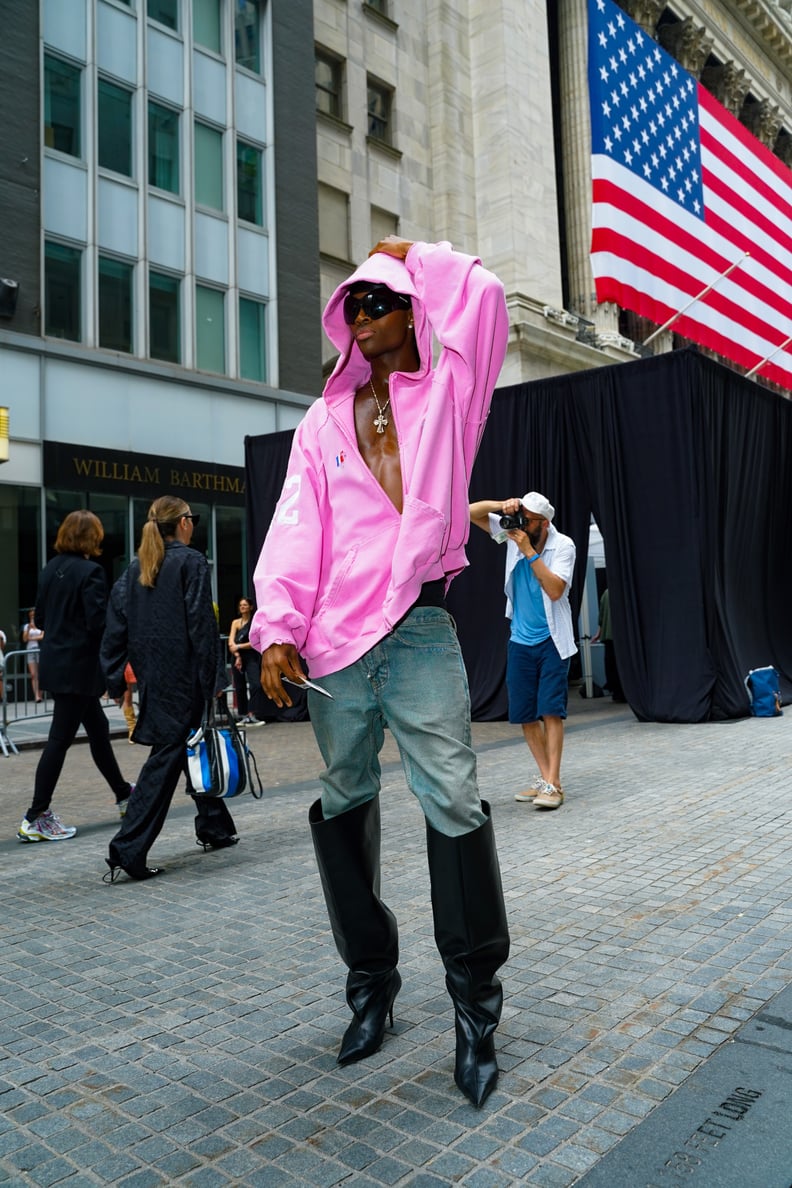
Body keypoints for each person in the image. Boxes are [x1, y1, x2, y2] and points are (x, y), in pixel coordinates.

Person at [250, 237, 510, 1108]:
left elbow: (488, 293)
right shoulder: (321, 423)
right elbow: (296, 529)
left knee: (456, 802)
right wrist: (278, 627)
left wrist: (409, 252)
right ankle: (372, 988)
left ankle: (476, 1013)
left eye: (377, 301)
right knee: (343, 799)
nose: (360, 316)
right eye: (351, 305)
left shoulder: (449, 391)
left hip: (419, 629)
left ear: (409, 309)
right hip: (335, 651)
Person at [101, 495, 238, 881]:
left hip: (156, 678)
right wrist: (213, 680)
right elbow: (200, 625)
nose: (193, 524)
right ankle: (126, 850)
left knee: (190, 748)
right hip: (185, 679)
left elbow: (115, 627)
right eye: (191, 518)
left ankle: (215, 825)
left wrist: (114, 678)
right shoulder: (190, 561)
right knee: (168, 759)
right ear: (182, 523)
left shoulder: (136, 569)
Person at [17, 511, 135, 843]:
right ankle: (35, 815)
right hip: (80, 668)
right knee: (59, 740)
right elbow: (98, 623)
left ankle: (124, 793)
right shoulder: (91, 571)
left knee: (97, 731)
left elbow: (40, 617)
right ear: (90, 537)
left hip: (57, 665)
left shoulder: (50, 568)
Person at [470, 492, 577, 810]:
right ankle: (548, 779)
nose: (520, 524)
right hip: (520, 640)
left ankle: (552, 783)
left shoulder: (563, 545)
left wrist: (528, 551)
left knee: (550, 711)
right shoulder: (512, 531)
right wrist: (501, 506)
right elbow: (467, 513)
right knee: (526, 715)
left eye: (527, 520)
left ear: (543, 524)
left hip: (552, 641)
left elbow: (556, 590)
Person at [228, 597, 262, 725]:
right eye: (241, 605)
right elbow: (231, 641)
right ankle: (243, 715)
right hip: (237, 657)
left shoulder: (254, 622)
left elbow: (254, 642)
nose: (242, 607)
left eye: (245, 605)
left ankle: (252, 713)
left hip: (250, 656)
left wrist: (239, 646)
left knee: (255, 684)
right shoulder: (235, 623)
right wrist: (237, 654)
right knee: (239, 686)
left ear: (251, 607)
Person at [591, 587, 626, 702]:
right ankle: (623, 692)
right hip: (621, 636)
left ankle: (616, 692)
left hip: (607, 635)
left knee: (611, 665)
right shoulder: (624, 592)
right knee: (622, 666)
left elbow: (601, 617)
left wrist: (598, 634)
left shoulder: (606, 593)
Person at [22, 607, 44, 703]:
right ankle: (36, 695)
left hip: (40, 650)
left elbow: (43, 636)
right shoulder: (27, 626)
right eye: (31, 615)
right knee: (33, 674)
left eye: (34, 615)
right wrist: (29, 629)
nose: (32, 616)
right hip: (30, 650)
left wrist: (33, 637)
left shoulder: (41, 624)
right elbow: (25, 639)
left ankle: (40, 694)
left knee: (40, 674)